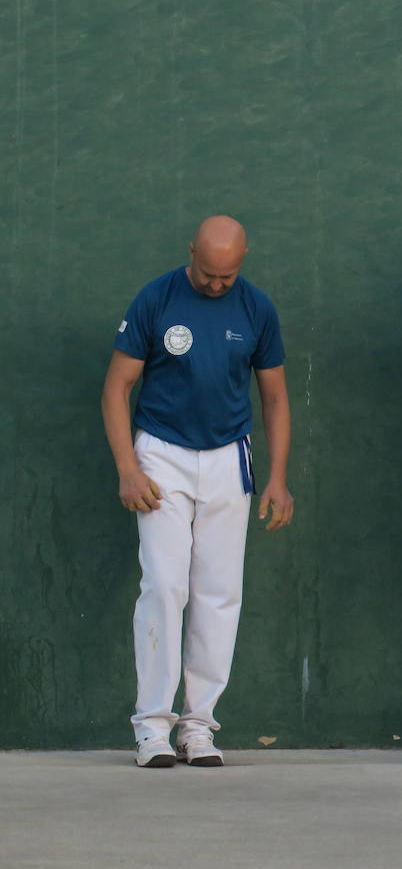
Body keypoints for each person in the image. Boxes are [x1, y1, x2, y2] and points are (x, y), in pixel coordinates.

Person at [101, 216, 294, 768]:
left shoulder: (257, 308)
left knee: (218, 592)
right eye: (209, 273)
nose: (216, 284)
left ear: (244, 260)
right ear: (191, 253)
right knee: (164, 585)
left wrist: (277, 477)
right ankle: (152, 726)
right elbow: (116, 387)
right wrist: (128, 468)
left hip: (229, 458)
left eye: (227, 276)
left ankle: (199, 726)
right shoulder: (156, 299)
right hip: (161, 455)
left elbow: (276, 399)